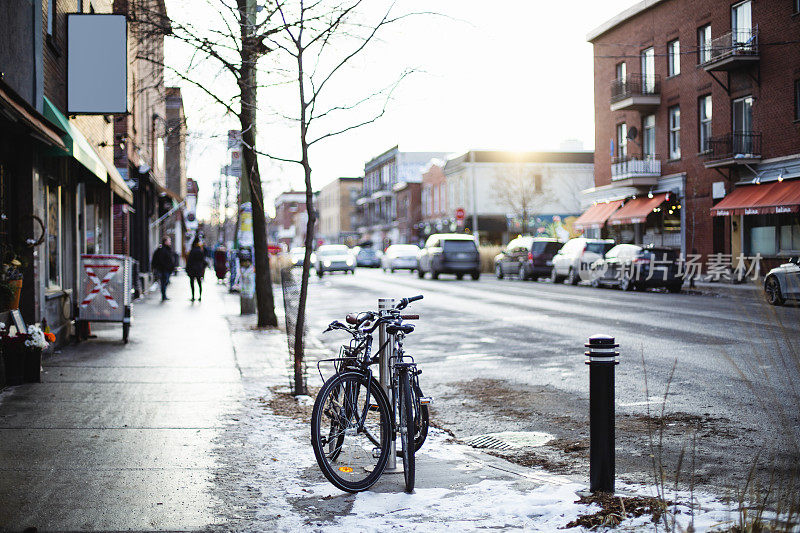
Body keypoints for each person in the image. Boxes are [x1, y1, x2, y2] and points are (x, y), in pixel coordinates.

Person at [151, 237, 176, 302]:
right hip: (163, 269)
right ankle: (163, 295)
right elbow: (160, 260)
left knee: (166, 282)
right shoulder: (161, 250)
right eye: (169, 241)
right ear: (165, 242)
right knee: (164, 282)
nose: (170, 242)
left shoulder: (168, 249)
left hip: (167, 269)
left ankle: (164, 295)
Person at [186, 237, 207, 302]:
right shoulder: (200, 251)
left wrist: (187, 269)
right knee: (199, 283)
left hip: (192, 269)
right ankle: (200, 296)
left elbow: (189, 261)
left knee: (192, 283)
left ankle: (193, 296)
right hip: (199, 269)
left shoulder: (192, 251)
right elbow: (203, 261)